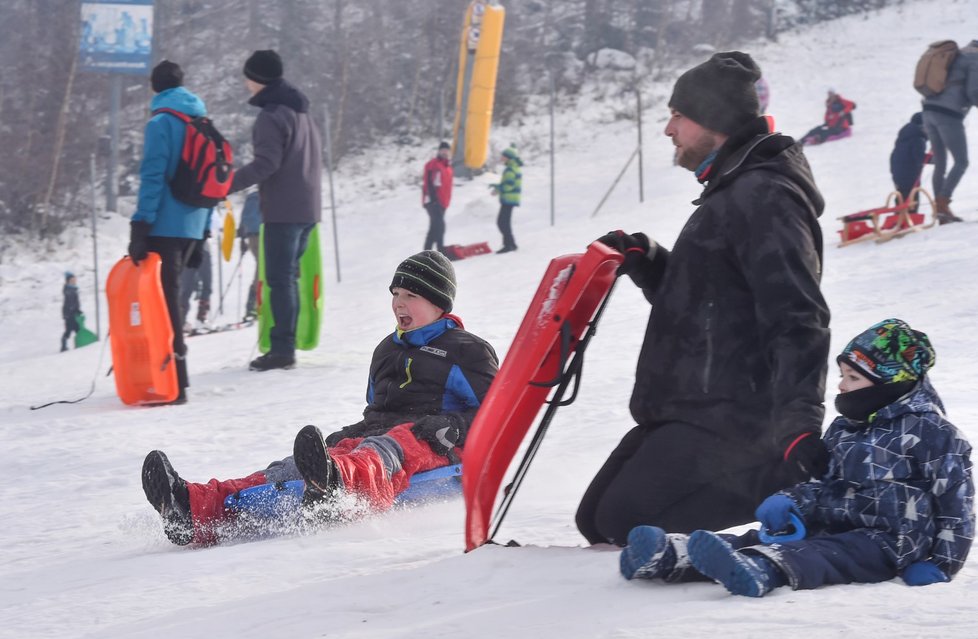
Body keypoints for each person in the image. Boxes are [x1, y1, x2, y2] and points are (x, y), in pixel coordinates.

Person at [576, 52, 830, 546]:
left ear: (712, 120)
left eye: (677, 115)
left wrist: (799, 426)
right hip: (688, 409)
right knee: (596, 521)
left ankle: (795, 481)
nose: (668, 129)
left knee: (618, 524)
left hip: (732, 419)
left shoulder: (765, 196)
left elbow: (798, 314)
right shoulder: (731, 190)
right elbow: (708, 301)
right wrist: (649, 260)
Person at [140, 251, 499, 546]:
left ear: (438, 302)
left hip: (438, 446)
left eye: (410, 296)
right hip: (381, 440)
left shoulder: (467, 351)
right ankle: (193, 508)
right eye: (395, 294)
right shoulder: (387, 350)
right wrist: (349, 433)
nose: (398, 304)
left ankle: (338, 489)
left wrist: (450, 425)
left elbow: (498, 413)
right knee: (289, 468)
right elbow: (378, 410)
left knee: (392, 447)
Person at [619, 319, 974, 598]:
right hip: (831, 523)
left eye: (852, 377)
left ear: (888, 381)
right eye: (842, 375)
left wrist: (941, 565)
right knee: (767, 537)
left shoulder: (934, 434)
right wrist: (790, 501)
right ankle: (674, 556)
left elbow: (957, 508)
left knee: (821, 554)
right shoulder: (846, 428)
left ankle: (762, 570)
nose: (841, 386)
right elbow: (823, 484)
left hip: (889, 544)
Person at [228, 50, 323, 371]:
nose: (245, 82)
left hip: (284, 209)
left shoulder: (271, 115)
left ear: (257, 79)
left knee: (279, 280)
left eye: (248, 76)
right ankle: (286, 343)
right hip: (308, 208)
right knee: (288, 279)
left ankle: (282, 349)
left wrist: (225, 183)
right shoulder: (302, 113)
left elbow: (266, 164)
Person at [128, 60, 212, 404]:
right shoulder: (200, 120)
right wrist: (204, 228)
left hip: (164, 224)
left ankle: (173, 381)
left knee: (163, 302)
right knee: (172, 298)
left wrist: (140, 224)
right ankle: (179, 377)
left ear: (154, 88)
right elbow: (211, 178)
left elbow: (152, 175)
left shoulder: (161, 122)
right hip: (194, 224)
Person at [921, 39, 978, 223]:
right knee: (961, 162)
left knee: (941, 163)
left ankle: (941, 212)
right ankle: (943, 204)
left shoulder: (956, 55)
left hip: (928, 111)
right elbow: (973, 91)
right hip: (948, 115)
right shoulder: (975, 59)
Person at [889, 112, 929, 211]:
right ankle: (910, 216)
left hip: (897, 171)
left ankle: (900, 217)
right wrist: (934, 159)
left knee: (902, 195)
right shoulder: (918, 139)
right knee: (912, 196)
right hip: (909, 173)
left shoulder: (905, 137)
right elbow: (919, 157)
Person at [422, 141, 454, 255]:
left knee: (434, 229)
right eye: (443, 150)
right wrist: (434, 200)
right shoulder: (433, 164)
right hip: (433, 201)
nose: (445, 152)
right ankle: (441, 252)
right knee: (440, 227)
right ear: (439, 151)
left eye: (447, 150)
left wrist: (446, 202)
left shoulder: (448, 167)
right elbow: (430, 182)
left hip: (443, 202)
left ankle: (426, 255)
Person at [490, 145, 522, 254]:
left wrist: (497, 189)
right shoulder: (514, 167)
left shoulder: (510, 169)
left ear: (508, 157)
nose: (501, 158)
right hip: (510, 199)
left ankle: (509, 245)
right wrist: (497, 186)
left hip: (509, 199)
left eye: (503, 156)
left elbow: (508, 185)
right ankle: (510, 244)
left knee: (502, 222)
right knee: (504, 222)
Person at [178, 232, 213, 329]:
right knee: (202, 284)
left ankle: (186, 319)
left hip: (188, 248)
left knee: (187, 286)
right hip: (197, 248)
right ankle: (195, 319)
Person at [237, 190, 262, 319]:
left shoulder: (251, 197)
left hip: (252, 237)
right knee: (263, 269)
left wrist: (242, 237)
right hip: (264, 235)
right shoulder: (269, 194)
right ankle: (253, 306)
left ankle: (252, 306)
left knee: (261, 268)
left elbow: (243, 219)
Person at [61, 271, 81, 352]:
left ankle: (79, 343)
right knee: (69, 331)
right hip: (69, 314)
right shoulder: (68, 290)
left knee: (78, 329)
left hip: (73, 313)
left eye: (74, 279)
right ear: (68, 281)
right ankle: (64, 345)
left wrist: (77, 310)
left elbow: (75, 302)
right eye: (72, 280)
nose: (74, 281)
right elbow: (70, 303)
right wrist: (73, 309)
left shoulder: (73, 289)